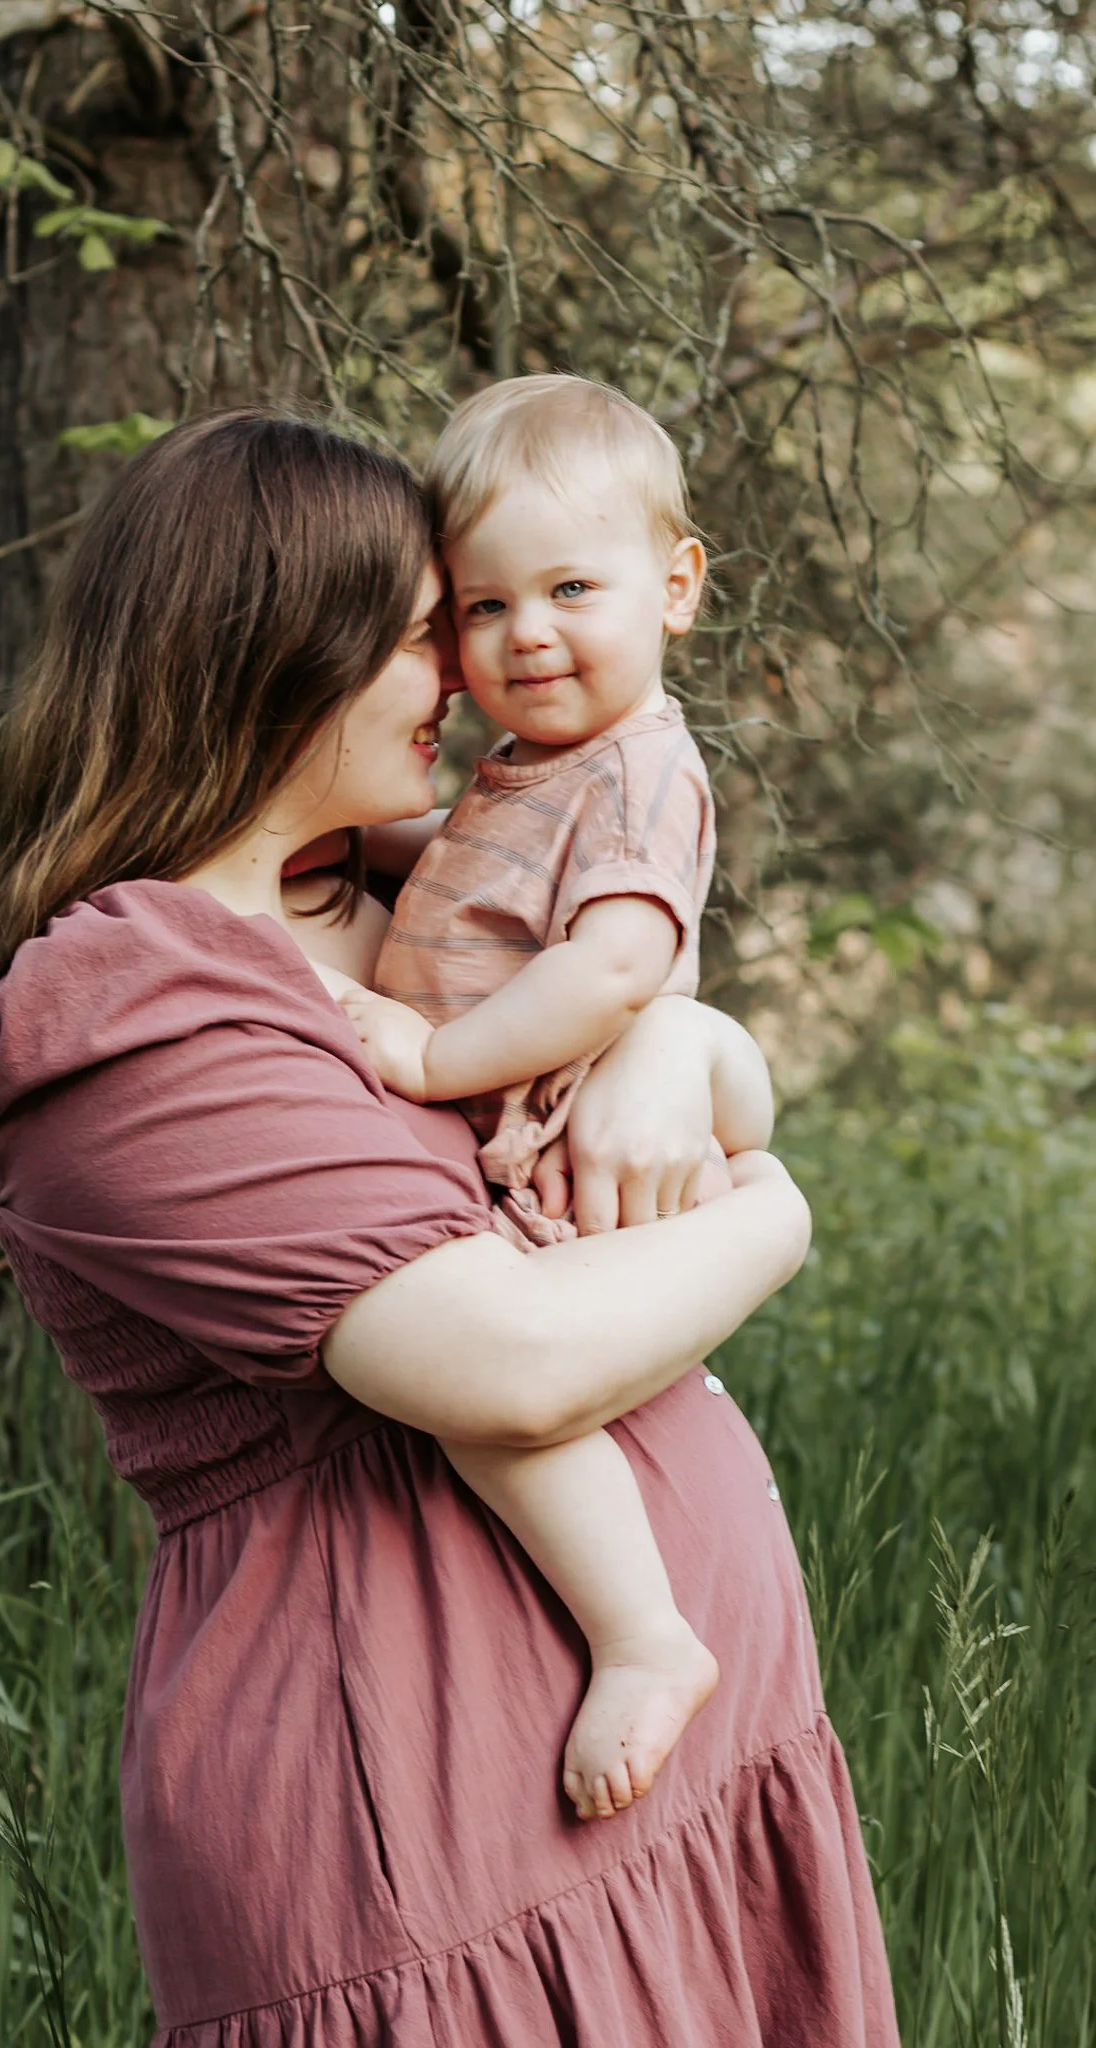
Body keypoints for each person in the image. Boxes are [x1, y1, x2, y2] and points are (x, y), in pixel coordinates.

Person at [0, 410, 898, 2045]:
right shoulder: (123, 1005)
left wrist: (679, 1047)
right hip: (433, 1844)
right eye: (419, 628)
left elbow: (647, 1028)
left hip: (687, 1800)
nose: (470, 663)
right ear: (268, 653)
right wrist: (779, 1217)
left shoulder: (386, 895)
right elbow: (502, 1363)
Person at [327, 376, 725, 1825]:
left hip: (537, 1147)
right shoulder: (538, 769)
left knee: (503, 1410)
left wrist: (433, 1063)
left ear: (675, 588)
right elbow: (468, 864)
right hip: (495, 1139)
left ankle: (642, 1635)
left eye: (569, 587)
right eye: (483, 609)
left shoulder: (638, 776)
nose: (526, 634)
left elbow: (614, 967)